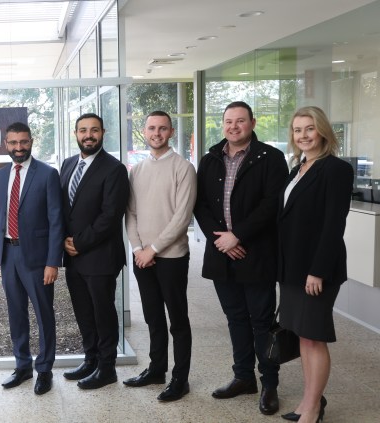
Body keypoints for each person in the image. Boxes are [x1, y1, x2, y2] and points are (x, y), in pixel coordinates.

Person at [194, 101, 288, 415]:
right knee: (235, 318)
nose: (234, 126)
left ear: (252, 123)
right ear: (222, 124)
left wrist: (239, 235)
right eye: (229, 121)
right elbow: (200, 204)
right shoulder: (210, 158)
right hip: (222, 254)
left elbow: (272, 203)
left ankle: (270, 383)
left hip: (256, 253)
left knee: (262, 321)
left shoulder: (271, 158)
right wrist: (221, 240)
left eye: (240, 121)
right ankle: (243, 377)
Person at [277, 106, 353, 423]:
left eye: (309, 128)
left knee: (313, 337)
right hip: (292, 268)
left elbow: (334, 225)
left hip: (315, 270)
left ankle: (311, 409)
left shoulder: (336, 169)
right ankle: (309, 402)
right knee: (302, 337)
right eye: (297, 130)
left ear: (322, 131)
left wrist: (317, 271)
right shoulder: (298, 168)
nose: (303, 135)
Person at [123, 111, 196, 402]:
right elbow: (130, 213)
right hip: (142, 257)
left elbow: (182, 217)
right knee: (153, 317)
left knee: (177, 320)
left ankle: (180, 379)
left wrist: (152, 250)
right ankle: (156, 370)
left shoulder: (183, 168)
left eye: (162, 128)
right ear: (144, 131)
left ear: (171, 132)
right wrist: (138, 249)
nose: (157, 133)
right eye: (152, 128)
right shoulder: (137, 170)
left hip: (172, 257)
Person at [0, 122, 64, 396]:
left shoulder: (47, 174)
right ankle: (22, 366)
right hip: (8, 254)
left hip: (38, 258)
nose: (18, 147)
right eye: (13, 142)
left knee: (44, 314)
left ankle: (44, 370)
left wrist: (52, 262)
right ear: (6, 144)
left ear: (31, 141)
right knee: (16, 313)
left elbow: (56, 221)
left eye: (23, 142)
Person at [60, 113, 129, 390]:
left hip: (100, 256)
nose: (88, 135)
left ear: (103, 133)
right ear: (76, 134)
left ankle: (107, 367)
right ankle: (90, 360)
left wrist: (78, 242)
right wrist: (64, 241)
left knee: (103, 314)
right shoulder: (68, 165)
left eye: (94, 130)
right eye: (83, 130)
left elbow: (110, 216)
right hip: (72, 257)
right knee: (83, 312)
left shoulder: (114, 169)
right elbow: (63, 209)